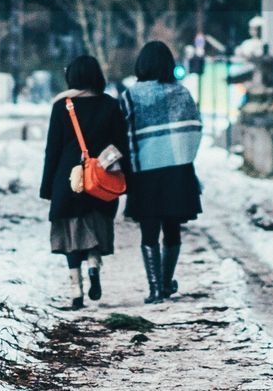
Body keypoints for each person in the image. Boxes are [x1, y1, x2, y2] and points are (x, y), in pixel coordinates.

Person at [40, 55, 129, 309]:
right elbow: (121, 146)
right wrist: (128, 180)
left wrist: (48, 187)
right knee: (95, 228)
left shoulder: (62, 107)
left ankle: (76, 290)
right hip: (102, 181)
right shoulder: (110, 105)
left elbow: (52, 150)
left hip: (68, 181)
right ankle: (93, 264)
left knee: (70, 235)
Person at [120, 41, 204, 303]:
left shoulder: (130, 95)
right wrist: (182, 158)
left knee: (148, 231)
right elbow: (195, 129)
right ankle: (167, 283)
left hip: (145, 172)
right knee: (172, 228)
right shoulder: (182, 93)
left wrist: (131, 169)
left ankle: (155, 289)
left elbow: (123, 134)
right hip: (177, 170)